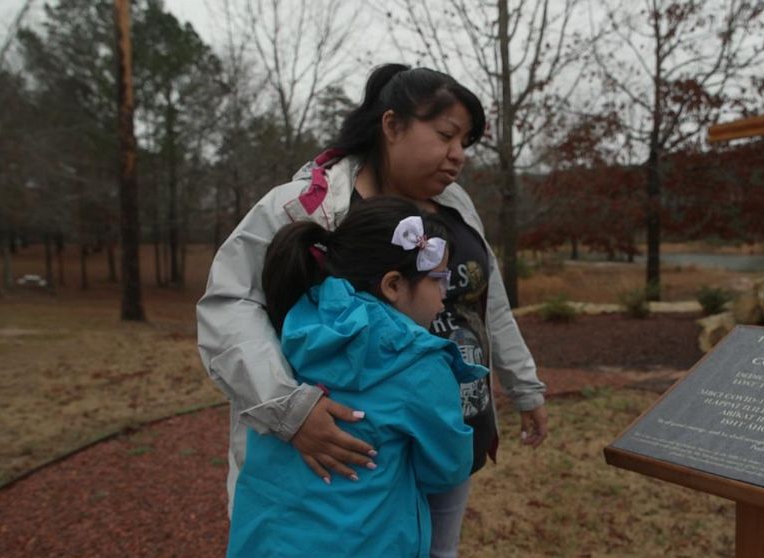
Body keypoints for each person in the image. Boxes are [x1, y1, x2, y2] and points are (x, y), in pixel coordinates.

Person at [197, 64, 549, 557]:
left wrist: (522, 384)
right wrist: (289, 409)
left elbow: (484, 302)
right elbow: (229, 306)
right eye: (447, 134)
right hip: (343, 458)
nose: (458, 155)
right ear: (392, 125)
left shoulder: (456, 206)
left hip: (444, 435)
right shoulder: (306, 207)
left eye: (466, 142)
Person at [227, 197, 487, 557]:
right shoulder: (420, 364)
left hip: (265, 541)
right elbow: (447, 469)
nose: (445, 295)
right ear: (394, 285)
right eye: (438, 279)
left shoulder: (291, 324)